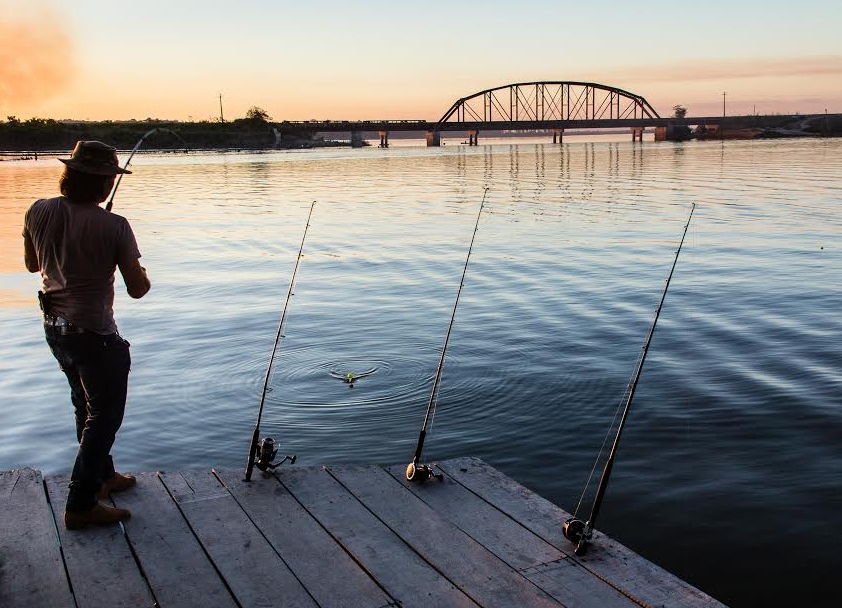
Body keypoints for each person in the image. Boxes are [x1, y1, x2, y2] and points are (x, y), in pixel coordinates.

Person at [23, 141, 151, 530]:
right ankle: (80, 503)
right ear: (105, 184)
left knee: (85, 406)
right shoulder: (114, 225)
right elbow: (137, 289)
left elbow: (32, 265)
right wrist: (129, 263)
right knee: (105, 416)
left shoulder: (37, 210)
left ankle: (102, 478)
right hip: (95, 335)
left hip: (55, 331)